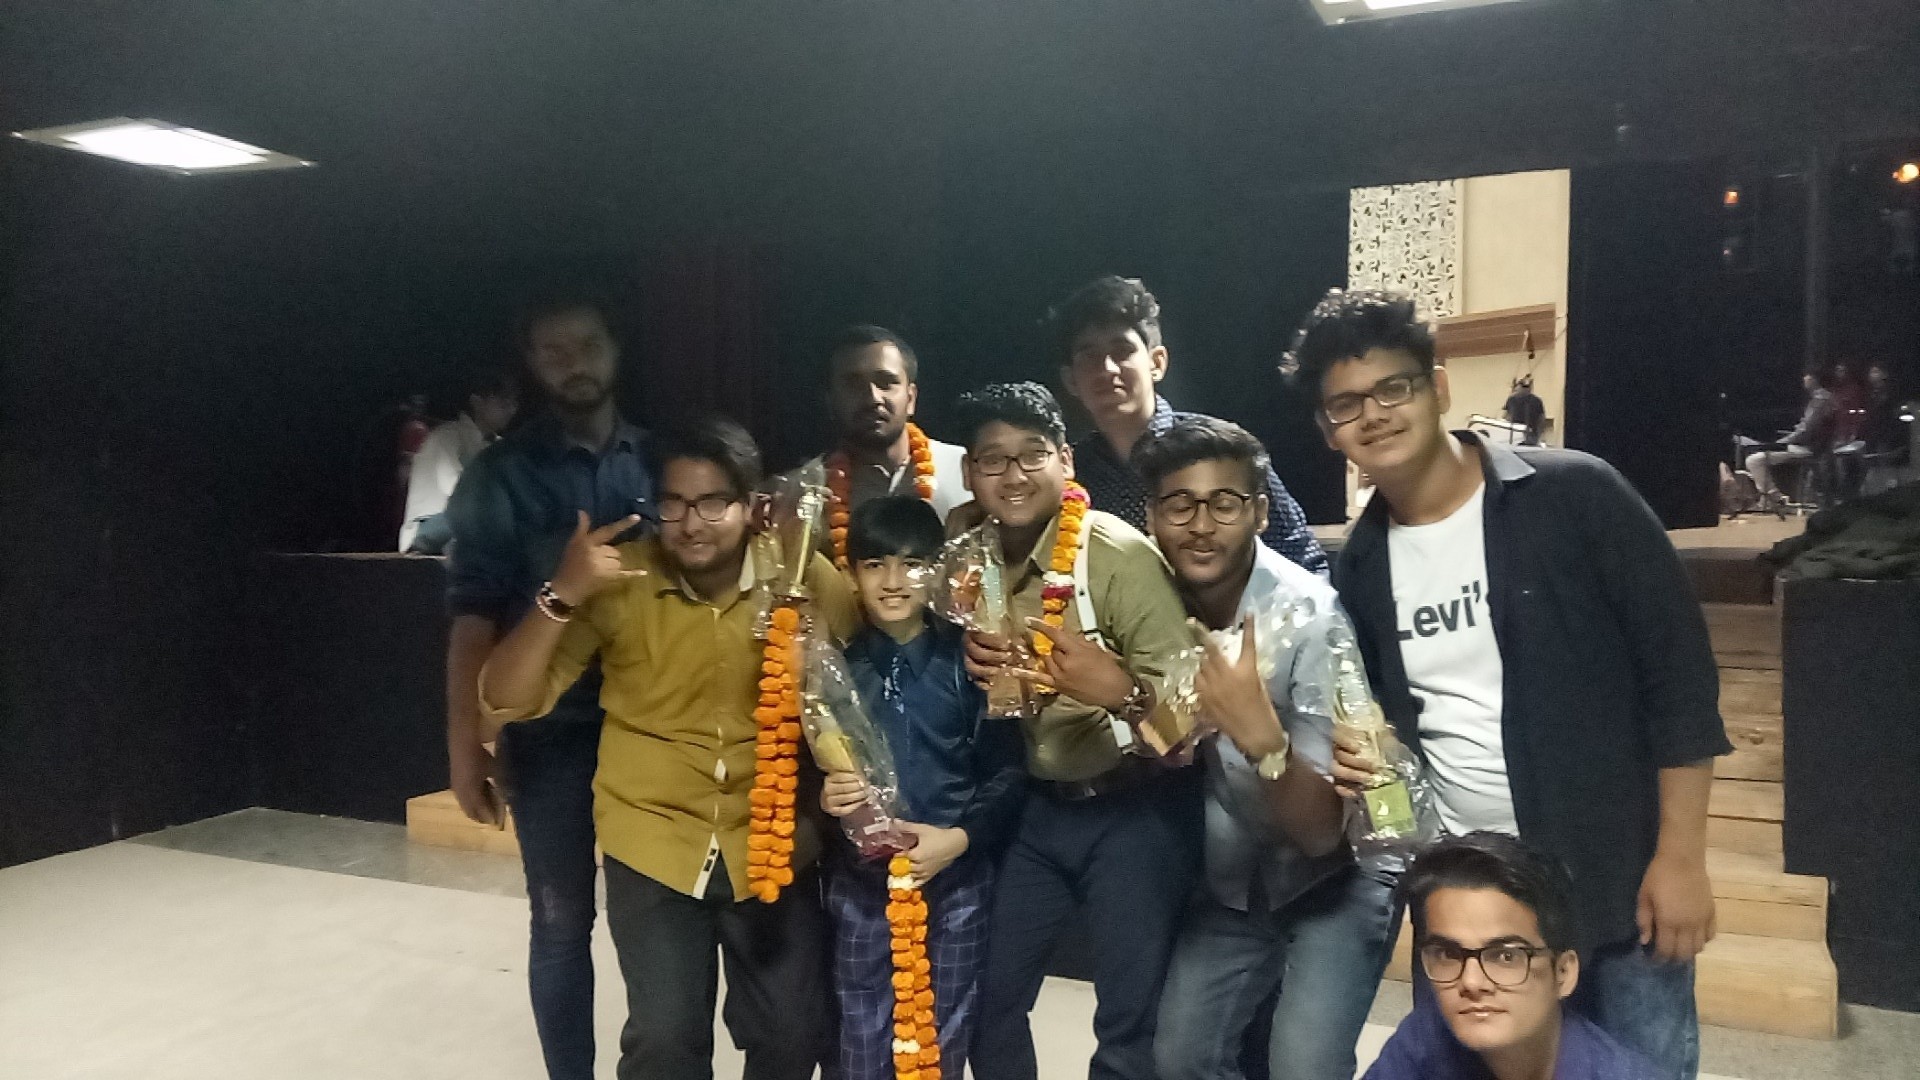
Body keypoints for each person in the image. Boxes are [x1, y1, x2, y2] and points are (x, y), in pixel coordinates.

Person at [1288, 289, 1731, 1080]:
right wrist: (1362, 767)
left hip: (1614, 877)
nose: (1374, 415)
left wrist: (1682, 858)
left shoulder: (1576, 495)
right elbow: (1385, 727)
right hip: (1467, 896)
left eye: (1394, 388)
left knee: (1640, 1067)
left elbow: (1680, 681)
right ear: (1328, 430)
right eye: (1346, 404)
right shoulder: (1359, 565)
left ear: (1438, 386)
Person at [479, 416, 855, 1080]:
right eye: (674, 503)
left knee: (795, 1035)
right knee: (664, 1041)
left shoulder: (797, 574)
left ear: (750, 505)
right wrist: (562, 592)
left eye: (712, 503)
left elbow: (865, 673)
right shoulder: (622, 578)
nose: (690, 523)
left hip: (771, 838)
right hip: (653, 836)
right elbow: (502, 698)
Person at [1137, 418, 1400, 1080]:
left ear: (1259, 512)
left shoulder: (1309, 617)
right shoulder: (1154, 600)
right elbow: (1158, 737)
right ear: (1152, 516)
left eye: (1224, 503)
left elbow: (1321, 833)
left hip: (1340, 874)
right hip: (1236, 874)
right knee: (1180, 1057)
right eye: (1180, 504)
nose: (1201, 525)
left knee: (1303, 1068)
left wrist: (1262, 739)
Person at [953, 381, 1200, 1080]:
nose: (1013, 475)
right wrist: (963, 653)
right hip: (1034, 808)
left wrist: (1118, 690)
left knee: (1127, 1023)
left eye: (1033, 454)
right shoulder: (968, 557)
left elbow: (1186, 720)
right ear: (970, 472)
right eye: (993, 459)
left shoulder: (1116, 555)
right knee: (989, 1003)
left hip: (1132, 809)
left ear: (1065, 460)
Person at [439, 291, 654, 1080]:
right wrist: (466, 746)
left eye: (587, 344)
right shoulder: (499, 475)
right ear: (532, 364)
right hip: (550, 733)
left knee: (652, 925)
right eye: (553, 351)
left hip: (651, 730)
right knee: (561, 922)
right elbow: (472, 620)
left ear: (615, 348)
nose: (574, 364)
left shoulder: (663, 462)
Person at [819, 495, 1027, 1080]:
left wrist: (958, 840)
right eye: (874, 564)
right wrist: (825, 797)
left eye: (911, 564)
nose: (892, 581)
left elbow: (1007, 772)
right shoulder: (833, 673)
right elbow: (820, 768)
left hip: (957, 882)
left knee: (942, 1031)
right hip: (862, 885)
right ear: (851, 575)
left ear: (938, 570)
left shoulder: (973, 664)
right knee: (861, 1026)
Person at [1050, 275, 1328, 576]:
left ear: (1157, 363)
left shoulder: (1222, 449)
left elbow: (1301, 556)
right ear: (1070, 380)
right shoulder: (1070, 474)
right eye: (1089, 356)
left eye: (1122, 351)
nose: (1107, 368)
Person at [1364, 832, 1662, 1080]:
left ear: (1563, 973)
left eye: (1506, 957)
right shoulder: (1425, 1038)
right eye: (1448, 954)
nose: (1471, 982)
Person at [803, 326, 971, 549]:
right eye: (853, 385)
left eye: (886, 383)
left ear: (910, 399)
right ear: (830, 401)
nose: (873, 398)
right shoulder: (805, 493)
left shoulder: (969, 471)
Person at [399, 369, 520, 553]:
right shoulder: (447, 436)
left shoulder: (499, 446)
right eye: (503, 403)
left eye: (514, 404)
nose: (511, 410)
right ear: (477, 402)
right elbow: (458, 489)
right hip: (429, 527)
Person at [1744, 370, 1835, 501]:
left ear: (1814, 379)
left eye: (1806, 377)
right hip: (1809, 446)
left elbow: (1805, 430)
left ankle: (1776, 499)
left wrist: (1781, 442)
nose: (1804, 380)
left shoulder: (1821, 400)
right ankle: (1772, 497)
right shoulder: (1822, 399)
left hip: (1809, 448)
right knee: (1761, 453)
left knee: (1753, 461)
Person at [1502, 376, 1546, 447]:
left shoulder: (1512, 399)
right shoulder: (1537, 400)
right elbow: (1542, 419)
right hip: (1525, 435)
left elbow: (1506, 416)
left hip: (1518, 435)